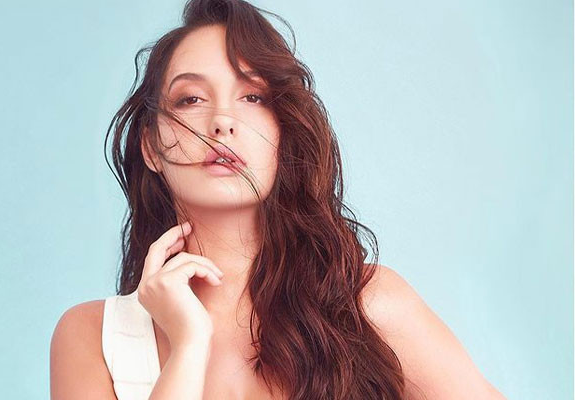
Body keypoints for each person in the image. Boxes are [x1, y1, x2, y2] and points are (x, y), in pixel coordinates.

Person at [50, 0, 507, 399]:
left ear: (283, 132)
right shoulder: (93, 337)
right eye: (191, 99)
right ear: (150, 145)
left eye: (252, 97)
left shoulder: (369, 304)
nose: (222, 121)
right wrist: (188, 345)